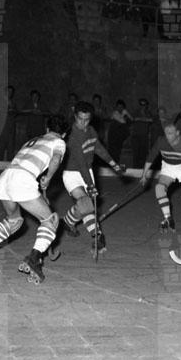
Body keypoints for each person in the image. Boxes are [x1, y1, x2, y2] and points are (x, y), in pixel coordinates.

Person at [0, 114, 70, 282]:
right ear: (64, 134)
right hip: (22, 179)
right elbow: (56, 159)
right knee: (51, 220)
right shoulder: (59, 142)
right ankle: (34, 258)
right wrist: (48, 178)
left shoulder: (33, 140)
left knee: (15, 220)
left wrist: (38, 188)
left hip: (5, 178)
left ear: (47, 129)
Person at [61, 101, 126, 254]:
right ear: (75, 117)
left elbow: (99, 148)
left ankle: (68, 222)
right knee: (86, 203)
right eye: (80, 119)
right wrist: (90, 185)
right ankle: (97, 236)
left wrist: (114, 164)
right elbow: (81, 164)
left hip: (87, 171)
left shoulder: (91, 131)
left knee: (86, 206)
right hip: (72, 174)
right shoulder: (73, 137)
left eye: (86, 120)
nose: (83, 123)